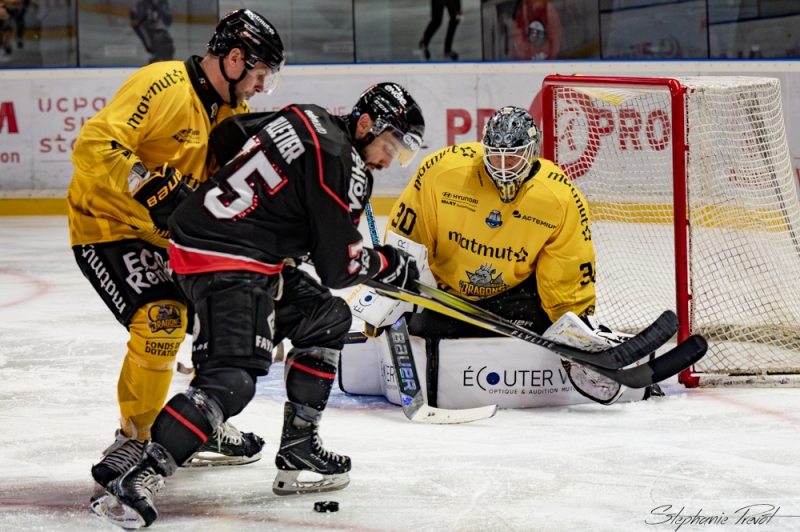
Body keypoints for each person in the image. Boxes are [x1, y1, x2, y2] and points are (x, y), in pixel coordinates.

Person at [90, 82, 426, 529]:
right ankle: (137, 476)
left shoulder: (308, 114)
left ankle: (299, 445)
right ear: (365, 124)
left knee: (326, 317)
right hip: (225, 258)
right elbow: (338, 268)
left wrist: (273, 213)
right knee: (231, 380)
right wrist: (389, 264)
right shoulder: (338, 160)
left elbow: (229, 134)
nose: (387, 160)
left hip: (227, 245)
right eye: (389, 146)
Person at [67, 9, 284, 501]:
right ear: (233, 58)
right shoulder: (164, 84)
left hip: (169, 236)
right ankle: (134, 437)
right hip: (109, 226)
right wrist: (148, 186)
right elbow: (94, 145)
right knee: (162, 318)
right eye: (257, 76)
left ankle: (204, 415)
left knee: (231, 309)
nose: (257, 87)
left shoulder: (227, 113)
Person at [370, 106, 651, 405]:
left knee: (552, 324)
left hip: (512, 300)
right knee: (419, 328)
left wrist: (572, 331)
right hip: (447, 296)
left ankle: (589, 345)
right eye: (495, 155)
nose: (503, 166)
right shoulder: (443, 172)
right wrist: (392, 297)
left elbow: (566, 272)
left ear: (532, 152)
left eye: (514, 156)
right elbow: (407, 237)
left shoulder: (558, 196)